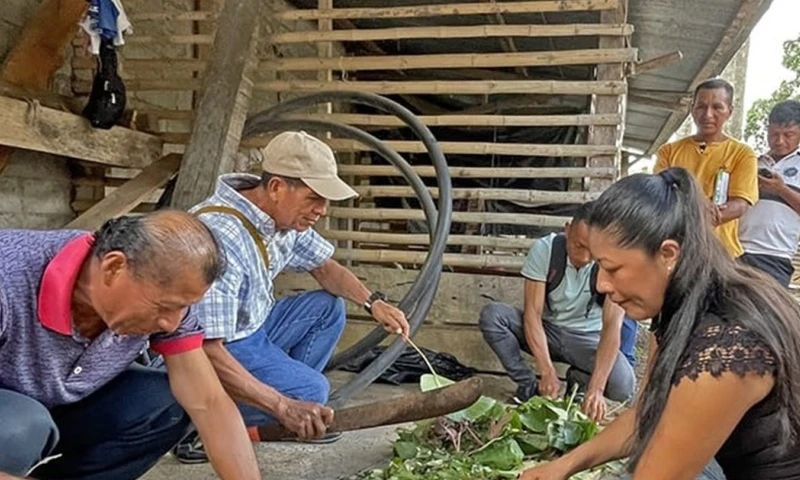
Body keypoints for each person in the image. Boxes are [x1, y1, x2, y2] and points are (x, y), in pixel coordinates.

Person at [520, 167, 800, 480]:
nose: (600, 284)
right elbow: (648, 414)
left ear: (668, 254)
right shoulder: (683, 307)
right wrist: (564, 465)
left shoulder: (726, 347)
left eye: (612, 268)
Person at [172, 131, 410, 463]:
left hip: (251, 329)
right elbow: (204, 348)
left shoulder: (279, 218)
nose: (322, 210)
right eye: (314, 198)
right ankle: (201, 426)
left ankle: (290, 410)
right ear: (276, 187)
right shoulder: (220, 237)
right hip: (213, 348)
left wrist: (373, 303)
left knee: (328, 308)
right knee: (313, 391)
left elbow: (324, 266)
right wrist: (282, 405)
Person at [0, 211, 260, 480]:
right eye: (165, 307)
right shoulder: (7, 277)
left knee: (167, 404)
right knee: (21, 425)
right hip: (13, 418)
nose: (171, 323)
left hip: (58, 408)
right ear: (114, 267)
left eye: (182, 307)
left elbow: (209, 402)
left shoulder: (166, 301)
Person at [479, 202, 636, 422]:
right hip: (549, 331)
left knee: (624, 387)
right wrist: (546, 371)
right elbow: (532, 315)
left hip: (588, 340)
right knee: (493, 316)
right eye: (578, 246)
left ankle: (580, 379)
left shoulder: (613, 262)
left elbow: (612, 327)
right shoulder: (545, 250)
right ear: (567, 230)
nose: (584, 258)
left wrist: (597, 389)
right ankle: (528, 384)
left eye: (593, 251)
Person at [655, 77, 758, 258]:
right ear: (692, 109)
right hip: (675, 251)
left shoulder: (742, 154)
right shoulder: (669, 151)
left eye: (717, 107)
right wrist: (700, 212)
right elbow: (659, 195)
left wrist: (691, 219)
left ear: (729, 111)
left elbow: (740, 205)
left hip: (721, 254)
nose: (708, 114)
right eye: (701, 107)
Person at [739, 100, 800, 287]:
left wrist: (781, 189)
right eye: (774, 134)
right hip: (738, 250)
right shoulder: (752, 163)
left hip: (776, 255)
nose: (779, 141)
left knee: (766, 305)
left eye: (788, 135)